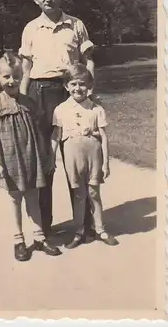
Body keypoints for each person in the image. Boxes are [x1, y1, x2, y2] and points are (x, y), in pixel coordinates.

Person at [19, 0, 95, 237]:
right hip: (40, 94)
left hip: (70, 92)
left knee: (77, 159)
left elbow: (88, 61)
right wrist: (22, 101)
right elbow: (26, 69)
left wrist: (89, 91)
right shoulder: (31, 28)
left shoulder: (75, 24)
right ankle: (45, 225)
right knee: (45, 161)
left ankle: (85, 224)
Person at [0, 51, 62, 261]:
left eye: (16, 76)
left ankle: (39, 237)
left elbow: (39, 132)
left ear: (22, 77)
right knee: (15, 199)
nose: (12, 80)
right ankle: (18, 240)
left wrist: (46, 155)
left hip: (31, 156)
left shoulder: (29, 102)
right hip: (11, 160)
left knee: (33, 198)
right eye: (7, 76)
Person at [51, 63, 119, 248]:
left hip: (93, 155)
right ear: (66, 86)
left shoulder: (96, 109)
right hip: (73, 156)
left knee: (93, 192)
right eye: (73, 84)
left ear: (89, 86)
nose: (77, 88)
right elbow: (56, 137)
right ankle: (79, 231)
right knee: (79, 195)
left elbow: (104, 138)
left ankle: (100, 229)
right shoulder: (60, 109)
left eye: (82, 84)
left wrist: (106, 163)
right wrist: (51, 158)